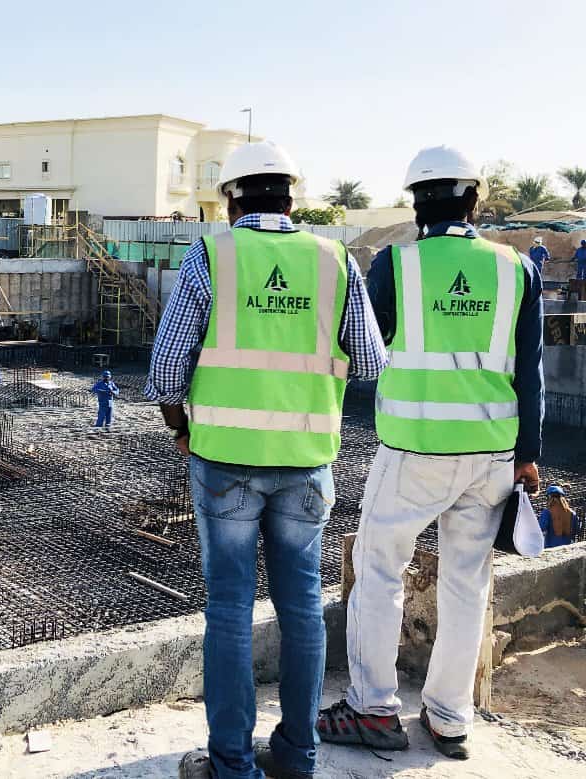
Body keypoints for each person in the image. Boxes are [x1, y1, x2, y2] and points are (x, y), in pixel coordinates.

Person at [145, 141, 388, 779]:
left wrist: (183, 431)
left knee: (228, 609)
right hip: (306, 460)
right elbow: (369, 362)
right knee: (303, 607)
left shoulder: (213, 255)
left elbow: (167, 372)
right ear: (291, 197)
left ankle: (231, 764)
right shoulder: (334, 260)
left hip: (224, 459)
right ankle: (297, 757)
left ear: (231, 199)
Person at [318, 145, 544, 761]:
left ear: (416, 202)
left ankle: (372, 709)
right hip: (493, 453)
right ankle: (449, 719)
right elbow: (531, 372)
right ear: (475, 199)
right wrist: (528, 454)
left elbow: (360, 343)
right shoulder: (517, 268)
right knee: (468, 586)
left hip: (415, 449)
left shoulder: (396, 265)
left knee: (379, 572)